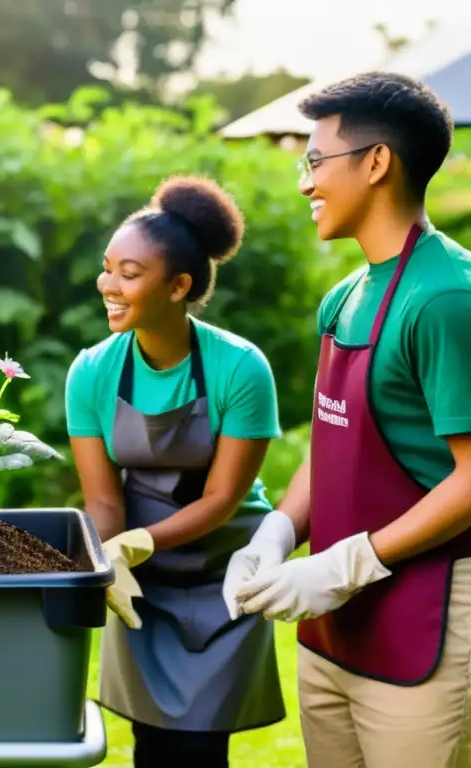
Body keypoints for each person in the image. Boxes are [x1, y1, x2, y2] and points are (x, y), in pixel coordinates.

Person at [226, 72, 471, 767]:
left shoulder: (448, 298)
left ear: (376, 162)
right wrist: (278, 534)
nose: (305, 184)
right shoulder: (342, 298)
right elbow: (335, 448)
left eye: (315, 161)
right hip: (333, 620)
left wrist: (351, 562)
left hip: (427, 612)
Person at [65, 175, 286, 767]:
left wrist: (140, 541)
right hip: (142, 582)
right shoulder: (91, 371)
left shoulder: (240, 368)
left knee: (199, 747)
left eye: (129, 274)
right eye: (107, 267)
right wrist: (110, 553)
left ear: (179, 286)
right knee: (151, 743)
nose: (108, 285)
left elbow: (221, 498)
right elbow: (103, 499)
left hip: (225, 574)